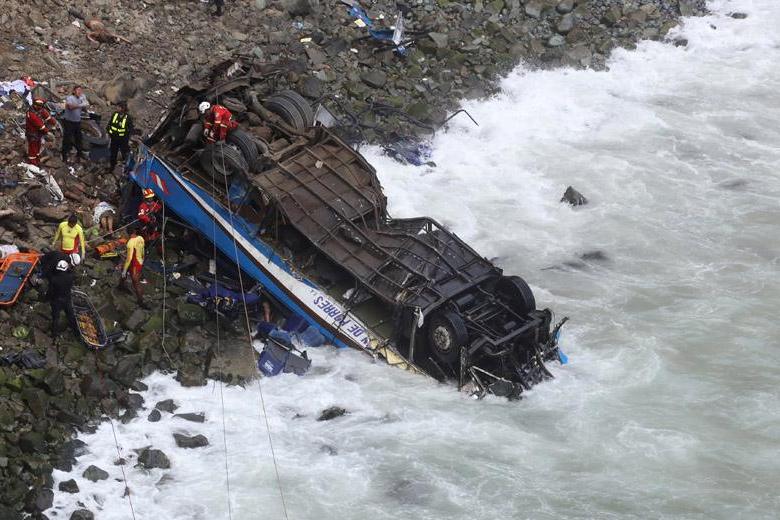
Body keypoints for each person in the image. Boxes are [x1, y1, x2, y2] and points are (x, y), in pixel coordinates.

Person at [120, 225, 148, 308]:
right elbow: (143, 251)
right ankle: (120, 286)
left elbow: (129, 258)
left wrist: (125, 270)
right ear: (135, 231)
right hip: (139, 261)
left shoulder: (130, 243)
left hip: (134, 263)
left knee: (135, 283)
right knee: (123, 271)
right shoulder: (141, 238)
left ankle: (141, 301)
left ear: (127, 233)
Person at [49, 259, 78, 340]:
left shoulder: (54, 279)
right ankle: (76, 331)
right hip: (67, 299)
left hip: (56, 300)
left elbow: (51, 291)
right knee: (71, 315)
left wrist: (48, 298)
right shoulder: (70, 277)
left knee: (56, 318)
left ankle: (54, 335)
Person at [25, 98, 57, 166]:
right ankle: (32, 162)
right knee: (33, 147)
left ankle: (37, 158)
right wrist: (48, 132)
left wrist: (54, 122)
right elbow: (40, 125)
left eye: (40, 105)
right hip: (32, 133)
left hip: (38, 132)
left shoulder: (41, 110)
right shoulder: (31, 113)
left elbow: (47, 117)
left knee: (38, 145)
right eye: (37, 105)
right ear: (34, 104)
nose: (39, 107)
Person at [61, 85, 89, 163]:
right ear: (74, 91)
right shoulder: (70, 98)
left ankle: (79, 155)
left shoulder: (81, 98)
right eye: (78, 90)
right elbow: (70, 107)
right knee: (67, 139)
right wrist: (81, 104)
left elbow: (84, 107)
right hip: (69, 121)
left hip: (77, 122)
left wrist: (85, 106)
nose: (79, 92)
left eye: (80, 90)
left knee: (79, 139)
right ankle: (64, 155)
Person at [106, 101, 133, 173]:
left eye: (118, 107)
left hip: (123, 140)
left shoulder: (128, 118)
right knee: (113, 153)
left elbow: (130, 129)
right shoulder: (115, 114)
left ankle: (128, 169)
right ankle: (112, 167)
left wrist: (127, 138)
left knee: (125, 153)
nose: (116, 108)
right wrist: (109, 132)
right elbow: (110, 124)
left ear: (122, 108)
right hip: (114, 138)